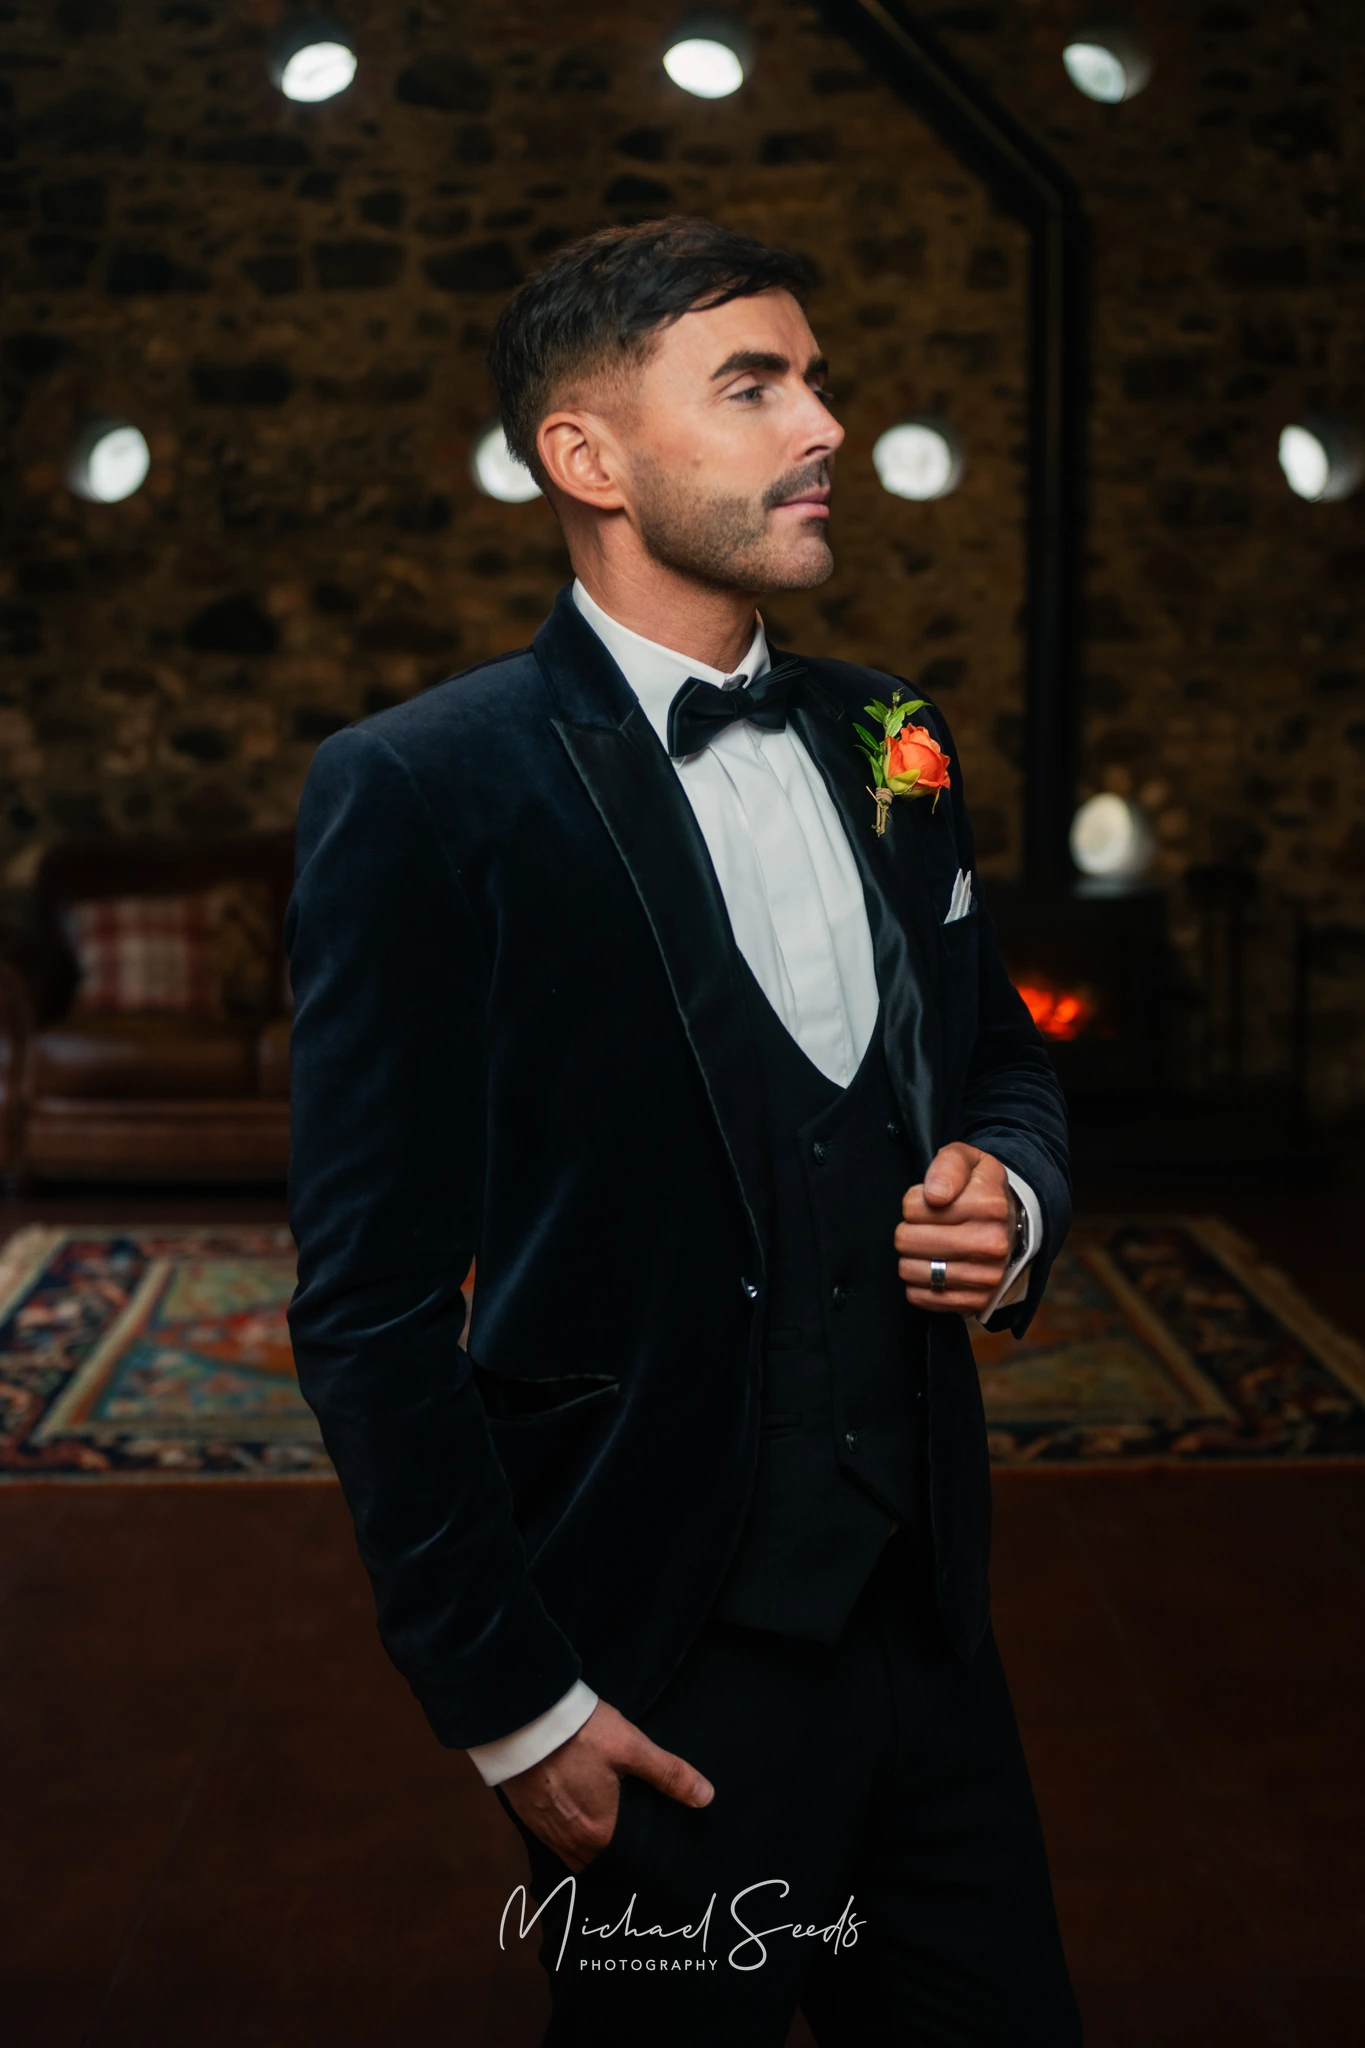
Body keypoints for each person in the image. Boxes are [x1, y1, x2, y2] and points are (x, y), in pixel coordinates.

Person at [285, 216, 1079, 2047]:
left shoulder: (896, 736)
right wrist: (511, 1704)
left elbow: (1003, 1058)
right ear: (588, 458)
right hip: (653, 1675)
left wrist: (1014, 1189)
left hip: (934, 1636)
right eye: (755, 385)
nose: (827, 426)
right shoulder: (420, 789)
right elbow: (371, 1305)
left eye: (818, 378)